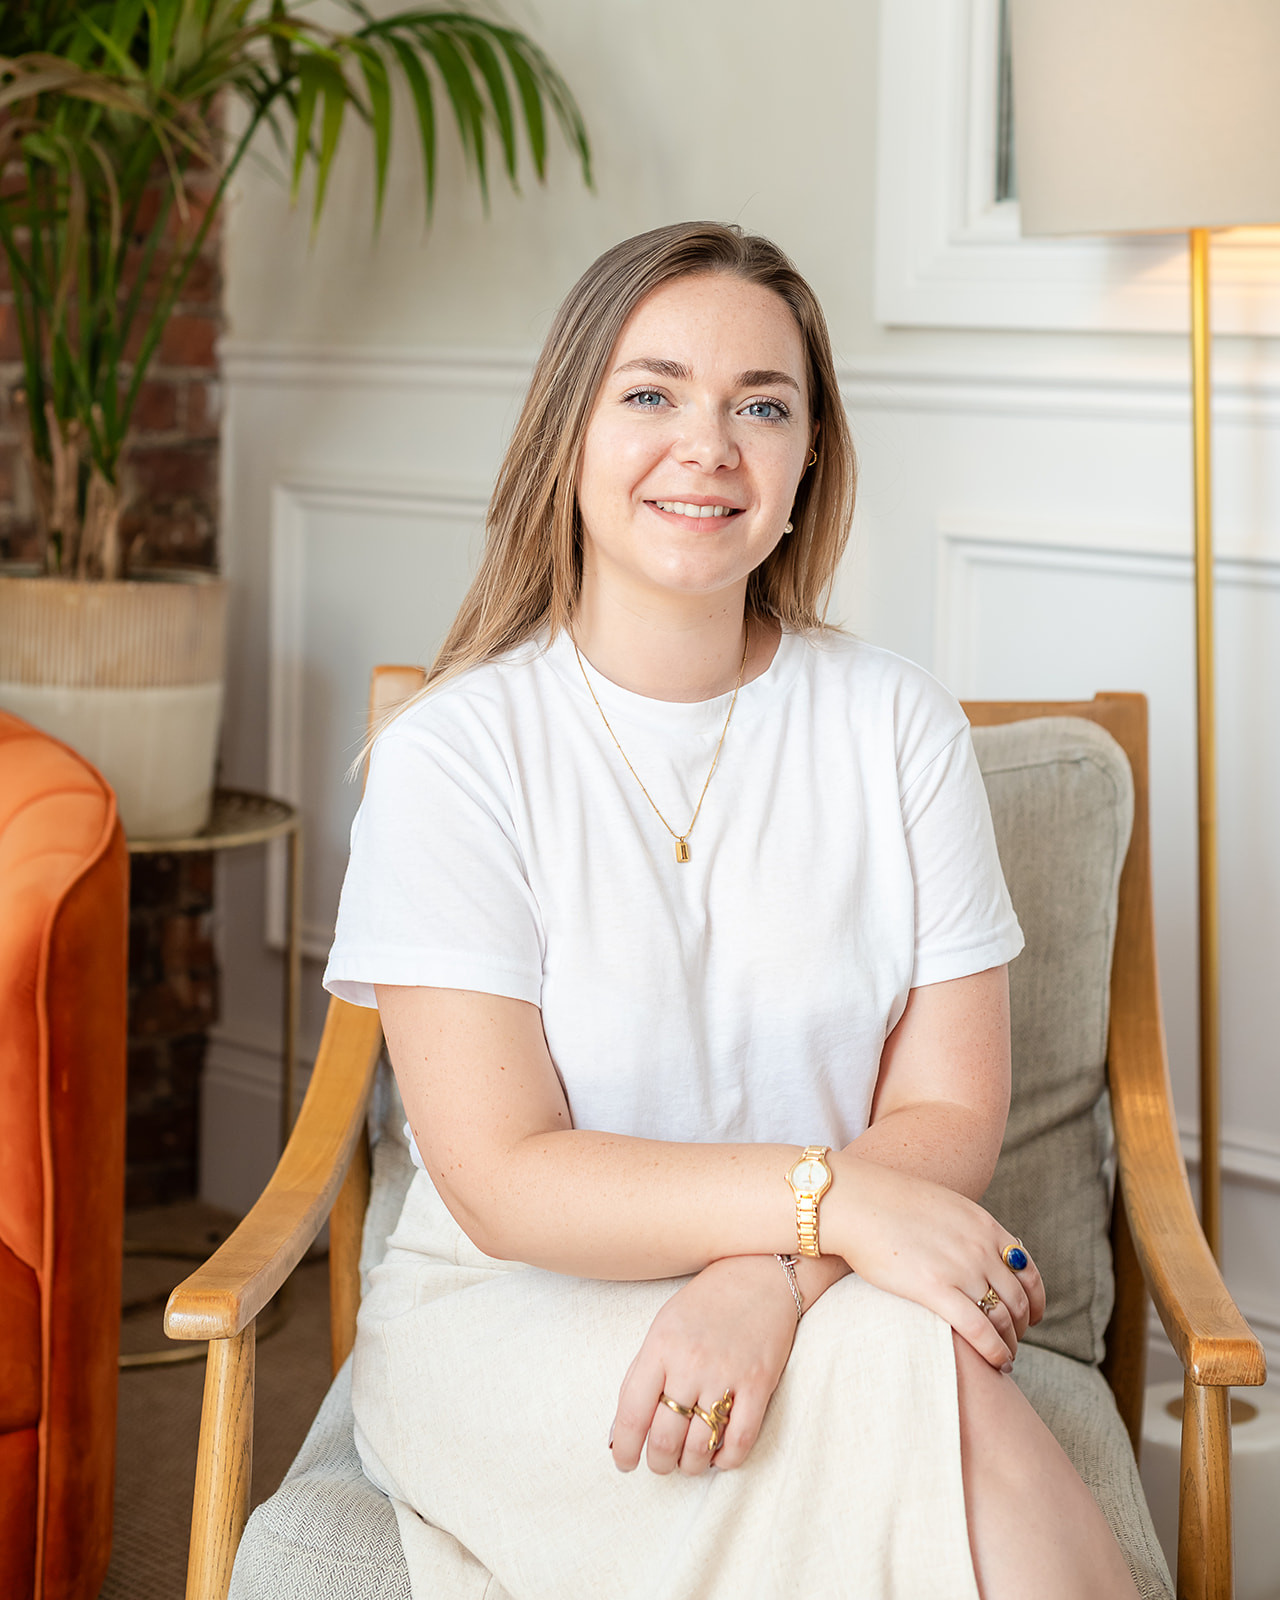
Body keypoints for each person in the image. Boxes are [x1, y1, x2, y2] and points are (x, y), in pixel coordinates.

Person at [323, 221, 1141, 1600]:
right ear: (568, 432)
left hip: (828, 1285)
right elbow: (506, 1177)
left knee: (913, 1358)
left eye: (761, 407)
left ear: (810, 456)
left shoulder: (898, 725)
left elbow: (949, 1109)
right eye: (651, 394)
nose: (707, 447)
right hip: (518, 1314)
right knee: (925, 1370)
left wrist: (773, 1276)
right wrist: (831, 1204)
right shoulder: (453, 754)